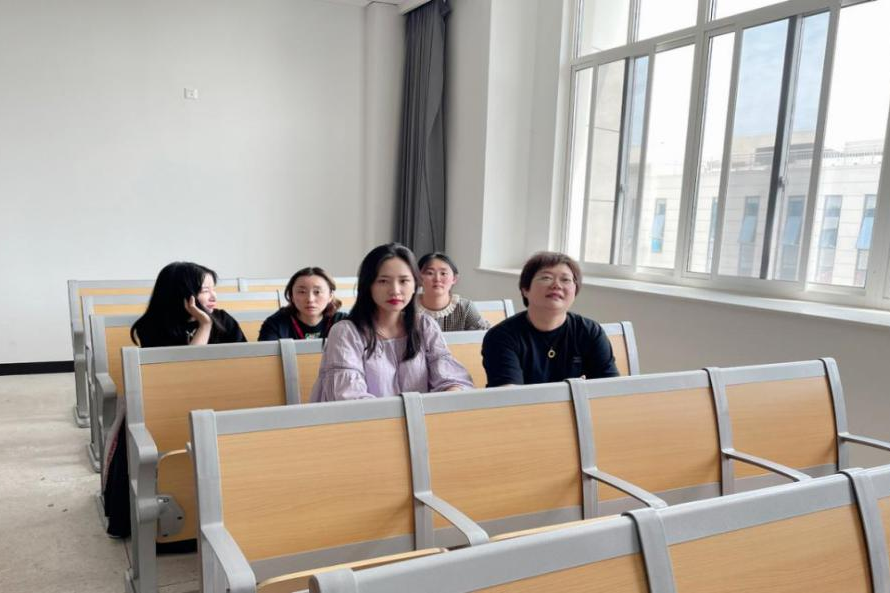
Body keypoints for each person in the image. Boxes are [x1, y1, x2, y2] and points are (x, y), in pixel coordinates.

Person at [103, 262, 246, 541]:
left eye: (214, 289)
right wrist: (204, 325)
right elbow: (182, 373)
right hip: (165, 407)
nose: (214, 297)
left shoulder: (225, 320)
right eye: (205, 290)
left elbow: (243, 364)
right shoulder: (152, 326)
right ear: (183, 294)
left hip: (217, 400)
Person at [310, 243, 475, 402]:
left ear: (415, 285)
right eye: (383, 281)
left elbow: (451, 377)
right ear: (368, 285)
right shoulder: (346, 332)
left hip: (421, 419)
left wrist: (452, 391)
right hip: (370, 421)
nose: (395, 290)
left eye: (404, 281)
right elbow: (349, 398)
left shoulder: (424, 326)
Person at [481, 252, 619, 387]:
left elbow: (610, 389)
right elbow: (510, 396)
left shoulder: (590, 331)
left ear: (575, 290)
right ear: (525, 289)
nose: (556, 285)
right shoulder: (501, 336)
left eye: (565, 280)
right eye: (546, 278)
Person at [258, 267, 348, 341]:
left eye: (317, 292)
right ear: (291, 296)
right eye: (302, 292)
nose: (310, 299)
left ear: (330, 296)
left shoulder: (344, 322)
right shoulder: (275, 324)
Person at [416, 252, 490, 331]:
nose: (437, 279)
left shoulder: (465, 307)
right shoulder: (409, 306)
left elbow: (484, 333)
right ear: (418, 277)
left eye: (443, 273)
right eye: (430, 273)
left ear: (454, 279)